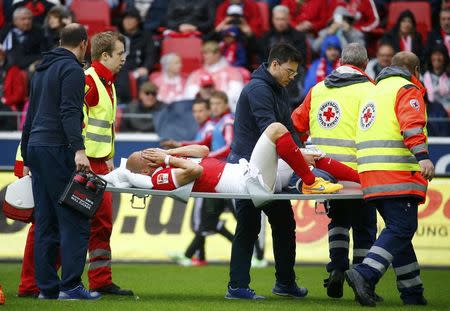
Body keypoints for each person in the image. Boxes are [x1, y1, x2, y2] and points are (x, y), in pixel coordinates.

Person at [226, 43, 341, 300]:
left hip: (266, 167)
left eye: (295, 73)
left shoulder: (278, 89)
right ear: (274, 64)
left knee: (283, 224)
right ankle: (238, 287)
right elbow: (273, 132)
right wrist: (301, 156)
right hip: (248, 168)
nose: (292, 77)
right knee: (249, 225)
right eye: (289, 71)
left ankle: (284, 283)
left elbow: (288, 131)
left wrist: (302, 155)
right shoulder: (258, 89)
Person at [345, 51, 435, 307]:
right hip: (396, 172)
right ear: (415, 70)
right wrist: (423, 156)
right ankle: (365, 273)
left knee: (399, 233)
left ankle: (412, 293)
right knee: (402, 228)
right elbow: (411, 126)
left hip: (370, 174)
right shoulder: (407, 89)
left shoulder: (373, 91)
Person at [291, 43, 378, 300]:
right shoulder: (371, 90)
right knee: (364, 227)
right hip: (359, 173)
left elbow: (296, 124)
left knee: (338, 223)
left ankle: (337, 269)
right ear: (364, 64)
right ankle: (363, 279)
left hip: (326, 174)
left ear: (340, 61)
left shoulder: (318, 89)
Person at [20, 23, 99, 300]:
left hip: (37, 148)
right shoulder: (73, 71)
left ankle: (47, 288)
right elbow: (69, 112)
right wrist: (79, 150)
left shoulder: (41, 69)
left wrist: (27, 154)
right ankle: (71, 286)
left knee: (45, 221)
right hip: (58, 148)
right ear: (84, 44)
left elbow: (30, 116)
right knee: (75, 216)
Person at [122, 122, 348, 196]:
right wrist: (168, 161)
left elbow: (202, 150)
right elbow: (195, 171)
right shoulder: (159, 177)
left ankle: (360, 178)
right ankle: (310, 183)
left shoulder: (165, 162)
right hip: (253, 182)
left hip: (254, 173)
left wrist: (169, 154)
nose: (149, 153)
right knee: (276, 129)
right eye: (145, 156)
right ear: (144, 170)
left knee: (309, 156)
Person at [83, 31, 133, 296]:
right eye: (120, 54)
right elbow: (76, 123)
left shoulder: (107, 83)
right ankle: (57, 282)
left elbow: (103, 128)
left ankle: (101, 280)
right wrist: (80, 157)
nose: (124, 59)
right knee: (77, 224)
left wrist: (109, 157)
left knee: (102, 224)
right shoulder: (89, 81)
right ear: (105, 55)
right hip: (84, 164)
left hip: (101, 163)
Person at [184, 41, 244, 111]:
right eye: (203, 53)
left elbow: (236, 97)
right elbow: (190, 97)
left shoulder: (232, 73)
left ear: (217, 54)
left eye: (207, 53)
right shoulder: (196, 74)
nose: (204, 56)